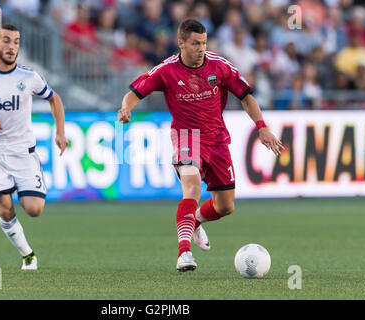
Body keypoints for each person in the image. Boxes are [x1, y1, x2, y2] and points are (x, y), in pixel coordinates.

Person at [118, 19, 283, 272]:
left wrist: (262, 126)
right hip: (186, 135)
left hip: (216, 138)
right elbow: (135, 92)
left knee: (225, 206)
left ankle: (193, 221)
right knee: (192, 187)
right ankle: (184, 253)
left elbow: (246, 96)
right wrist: (126, 108)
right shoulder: (167, 70)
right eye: (195, 43)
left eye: (204, 42)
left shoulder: (220, 66)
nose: (201, 48)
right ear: (181, 43)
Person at [0, 24, 68, 270]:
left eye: (16, 42)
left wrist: (60, 131)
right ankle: (28, 255)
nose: (11, 47)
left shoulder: (29, 76)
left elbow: (54, 98)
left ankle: (27, 187)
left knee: (34, 209)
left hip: (22, 152)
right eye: (6, 41)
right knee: (5, 206)